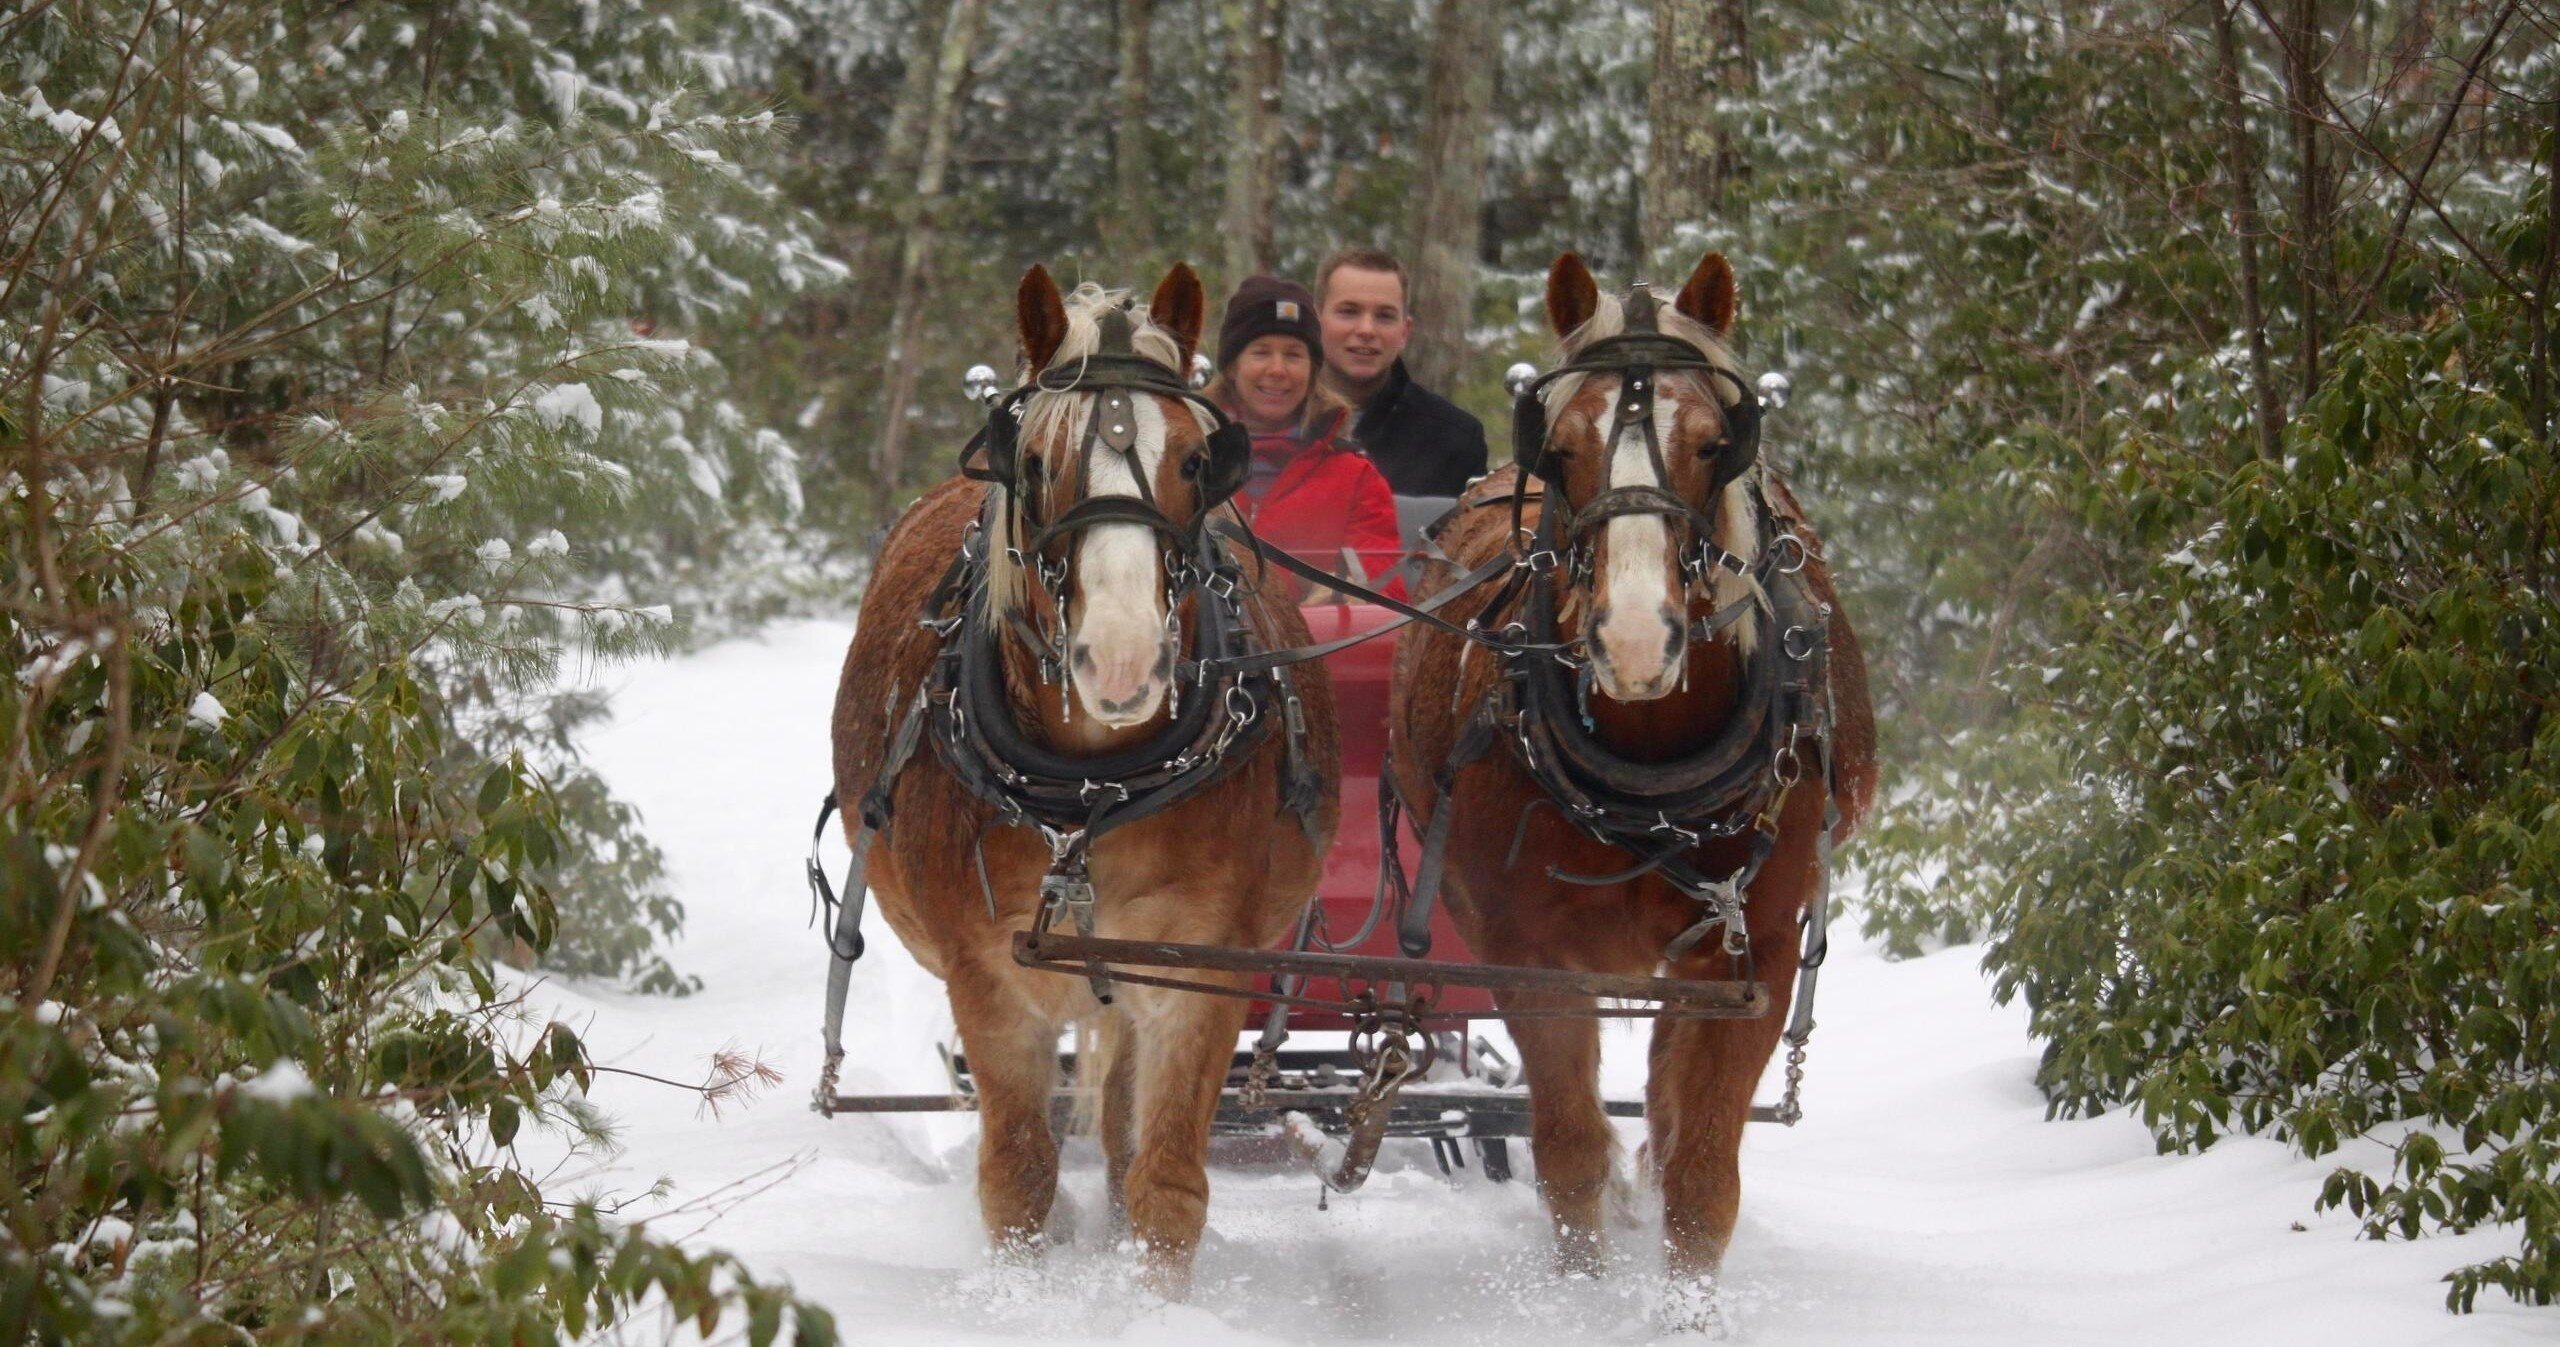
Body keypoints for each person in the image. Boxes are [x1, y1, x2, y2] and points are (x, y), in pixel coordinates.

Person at [1207, 276, 1404, 595]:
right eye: (1261, 352)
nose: (1277, 370)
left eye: (1294, 355)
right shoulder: (1189, 464)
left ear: (1313, 370)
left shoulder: (1356, 478)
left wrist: (1347, 597)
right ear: (1232, 367)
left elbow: (1385, 596)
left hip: (1312, 629)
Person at [1313, 247, 1490, 498]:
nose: (1366, 330)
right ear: (1315, 321)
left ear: (1405, 332)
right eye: (1349, 312)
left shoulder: (1455, 440)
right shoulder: (1270, 422)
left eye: (1384, 316)